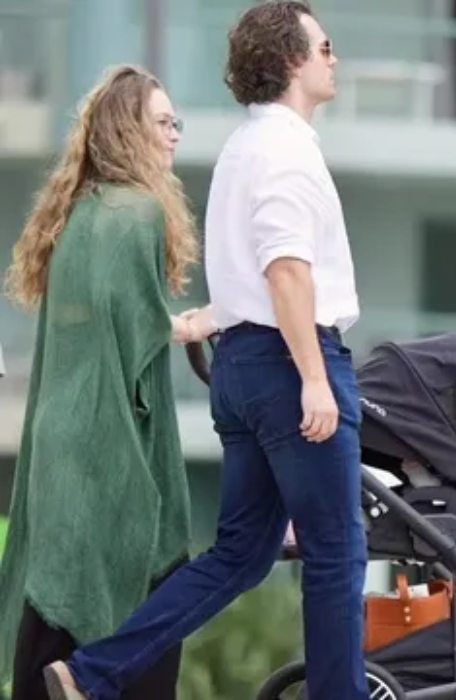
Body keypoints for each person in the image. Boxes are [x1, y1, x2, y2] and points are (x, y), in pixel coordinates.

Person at [44, 3, 369, 699]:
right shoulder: (287, 151)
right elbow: (285, 269)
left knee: (241, 554)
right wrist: (314, 377)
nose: (334, 58)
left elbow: (249, 271)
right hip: (291, 365)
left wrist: (209, 322)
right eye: (325, 46)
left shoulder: (243, 147)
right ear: (291, 60)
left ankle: (90, 672)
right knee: (337, 553)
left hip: (242, 365)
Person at [0, 65, 214, 700]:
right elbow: (136, 328)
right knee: (145, 594)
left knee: (57, 597)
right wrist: (188, 325)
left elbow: (105, 319)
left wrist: (166, 325)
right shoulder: (138, 212)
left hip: (62, 437)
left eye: (176, 122)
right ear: (129, 131)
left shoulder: (80, 213)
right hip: (107, 437)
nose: (174, 134)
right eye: (163, 122)